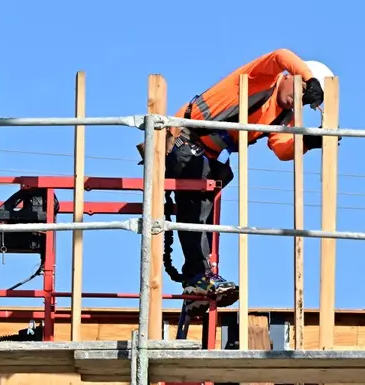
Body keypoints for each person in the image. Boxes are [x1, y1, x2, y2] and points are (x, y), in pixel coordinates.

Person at [140, 49, 335, 316]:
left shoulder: (283, 115)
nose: (297, 102)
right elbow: (280, 54)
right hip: (182, 141)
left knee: (204, 210)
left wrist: (311, 142)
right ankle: (199, 277)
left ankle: (198, 279)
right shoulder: (261, 78)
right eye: (301, 91)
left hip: (206, 156)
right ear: (293, 76)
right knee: (195, 204)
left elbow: (280, 148)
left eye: (305, 101)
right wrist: (310, 78)